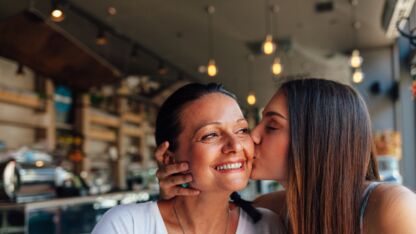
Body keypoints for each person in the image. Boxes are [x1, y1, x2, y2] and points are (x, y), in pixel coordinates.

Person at [155, 78, 416, 234]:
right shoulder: (270, 210)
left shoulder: (391, 208)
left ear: (315, 138)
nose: (251, 137)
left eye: (271, 126)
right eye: (252, 126)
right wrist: (176, 197)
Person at [92, 83, 284, 234]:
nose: (235, 145)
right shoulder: (128, 226)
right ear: (168, 158)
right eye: (210, 135)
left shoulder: (268, 226)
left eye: (242, 130)